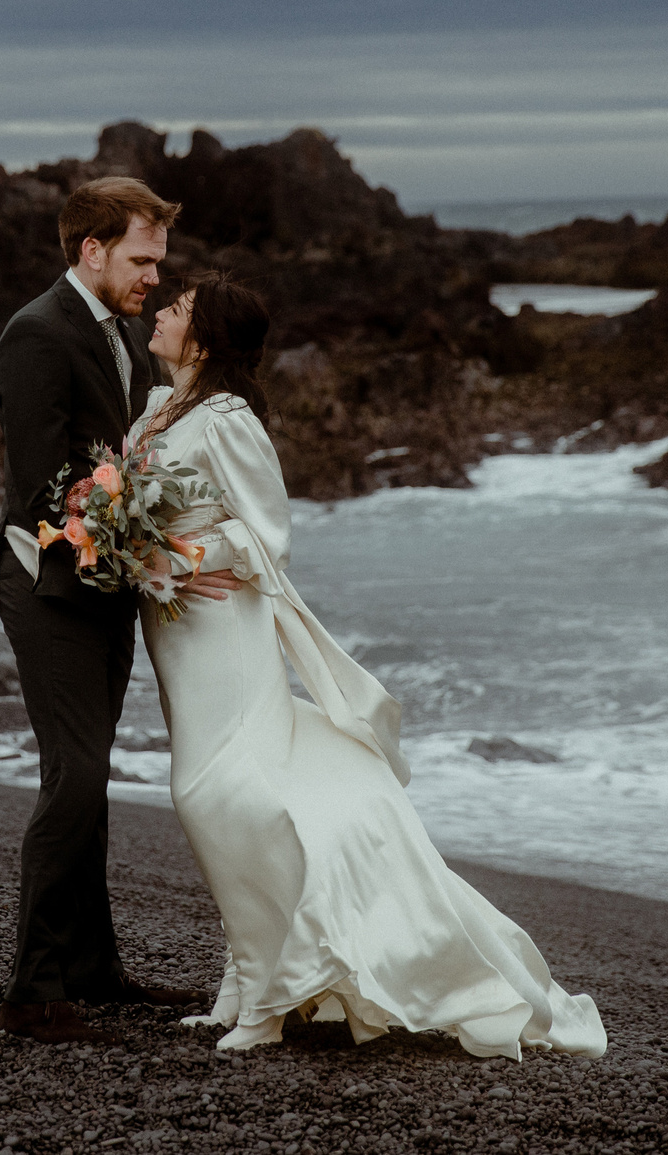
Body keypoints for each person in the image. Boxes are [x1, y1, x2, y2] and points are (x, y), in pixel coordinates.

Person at [134, 270, 610, 1060]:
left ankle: (270, 999)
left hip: (222, 625)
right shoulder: (158, 409)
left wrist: (178, 553)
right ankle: (246, 986)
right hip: (175, 630)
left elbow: (268, 537)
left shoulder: (227, 419)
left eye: (177, 308)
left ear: (205, 338)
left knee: (220, 795)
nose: (160, 310)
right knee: (214, 798)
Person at [0, 177, 239, 1044]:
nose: (154, 279)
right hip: (48, 590)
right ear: (89, 249)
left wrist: (147, 559)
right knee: (77, 775)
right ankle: (32, 990)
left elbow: (121, 459)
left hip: (103, 593)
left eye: (159, 261)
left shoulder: (126, 332)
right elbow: (40, 489)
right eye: (141, 258)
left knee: (88, 779)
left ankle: (92, 967)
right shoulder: (35, 334)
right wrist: (155, 554)